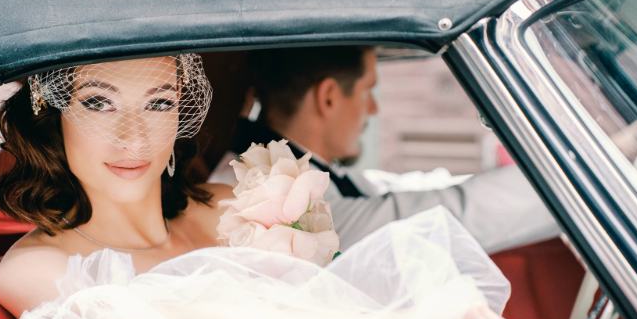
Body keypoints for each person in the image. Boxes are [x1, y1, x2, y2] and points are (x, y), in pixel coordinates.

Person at [0, 54, 552, 319]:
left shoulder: (245, 203)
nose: (133, 136)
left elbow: (336, 293)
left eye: (158, 102)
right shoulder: (34, 269)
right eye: (98, 103)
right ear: (51, 114)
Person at [209, 47, 560, 254]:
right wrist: (578, 186)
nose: (373, 110)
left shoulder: (305, 173)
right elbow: (450, 216)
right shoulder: (266, 194)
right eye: (367, 91)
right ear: (329, 97)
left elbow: (414, 188)